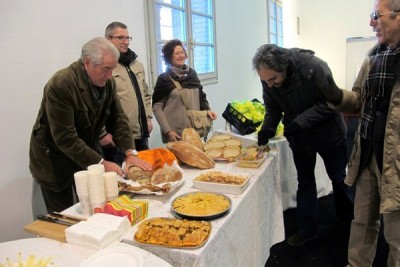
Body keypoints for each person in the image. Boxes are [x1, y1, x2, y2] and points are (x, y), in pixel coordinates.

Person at [29, 37, 152, 213]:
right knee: (64, 217)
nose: (110, 76)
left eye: (113, 69)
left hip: (85, 152)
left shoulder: (106, 82)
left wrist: (129, 153)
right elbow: (65, 138)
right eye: (106, 69)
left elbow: (118, 119)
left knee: (95, 207)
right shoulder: (61, 84)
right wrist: (101, 162)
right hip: (54, 161)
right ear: (87, 63)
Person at [319, 0, 400, 265]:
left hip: (395, 162)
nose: (371, 22)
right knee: (362, 221)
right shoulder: (374, 56)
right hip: (367, 154)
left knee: (397, 235)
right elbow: (357, 99)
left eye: (376, 15)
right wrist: (333, 94)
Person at [252, 44, 354, 246]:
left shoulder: (314, 67)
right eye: (265, 81)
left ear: (284, 67)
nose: (269, 84)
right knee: (305, 182)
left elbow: (332, 102)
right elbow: (272, 107)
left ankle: (349, 222)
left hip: (329, 133)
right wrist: (268, 128)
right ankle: (307, 229)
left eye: (273, 79)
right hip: (300, 138)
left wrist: (301, 121)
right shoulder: (269, 79)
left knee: (339, 179)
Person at [100, 21, 153, 164]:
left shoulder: (137, 64)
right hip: (118, 137)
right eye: (120, 38)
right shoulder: (106, 67)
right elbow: (99, 103)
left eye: (127, 38)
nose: (125, 42)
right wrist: (103, 132)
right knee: (122, 178)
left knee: (145, 173)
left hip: (140, 133)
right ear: (108, 39)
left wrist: (148, 118)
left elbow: (146, 94)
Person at [152, 39, 217, 143]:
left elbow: (201, 97)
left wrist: (207, 109)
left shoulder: (192, 74)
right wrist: (168, 131)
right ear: (169, 57)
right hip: (175, 134)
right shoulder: (164, 79)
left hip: (194, 132)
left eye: (182, 52)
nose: (181, 55)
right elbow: (157, 107)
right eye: (177, 53)